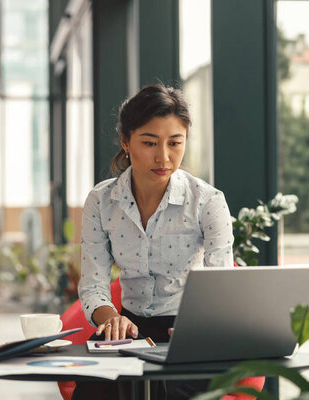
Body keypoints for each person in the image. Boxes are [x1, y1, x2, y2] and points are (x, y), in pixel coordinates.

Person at [74, 84, 234, 400]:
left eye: (175, 143)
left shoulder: (207, 201)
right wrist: (111, 319)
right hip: (127, 329)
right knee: (92, 393)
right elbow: (93, 283)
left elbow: (222, 284)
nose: (163, 157)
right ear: (126, 142)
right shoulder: (101, 201)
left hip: (187, 332)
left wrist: (198, 329)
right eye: (149, 143)